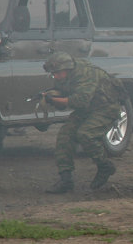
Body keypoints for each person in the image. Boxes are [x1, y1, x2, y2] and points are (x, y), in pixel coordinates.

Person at [42, 52, 124, 193]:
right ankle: (65, 180)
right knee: (65, 135)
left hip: (106, 108)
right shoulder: (63, 76)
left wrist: (53, 100)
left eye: (57, 73)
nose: (55, 76)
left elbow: (80, 101)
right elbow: (64, 100)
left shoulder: (86, 74)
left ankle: (105, 166)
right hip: (87, 109)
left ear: (67, 69)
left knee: (86, 134)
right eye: (53, 74)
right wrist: (50, 95)